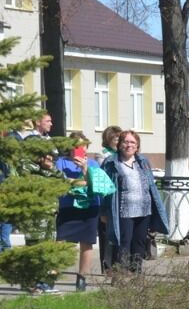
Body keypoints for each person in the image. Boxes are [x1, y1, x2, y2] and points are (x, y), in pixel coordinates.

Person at [101, 130, 169, 273]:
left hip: (144, 209)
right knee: (123, 242)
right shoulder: (111, 162)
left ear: (137, 146)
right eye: (126, 142)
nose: (129, 145)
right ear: (119, 144)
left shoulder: (142, 162)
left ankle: (136, 274)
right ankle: (120, 273)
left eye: (133, 142)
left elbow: (151, 185)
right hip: (123, 210)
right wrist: (103, 211)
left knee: (139, 242)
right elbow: (103, 189)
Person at [55, 132, 106, 291]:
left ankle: (82, 278)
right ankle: (52, 274)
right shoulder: (61, 162)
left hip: (90, 207)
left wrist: (84, 169)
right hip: (68, 206)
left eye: (82, 145)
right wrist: (82, 182)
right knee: (61, 243)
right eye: (75, 145)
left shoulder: (92, 164)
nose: (78, 148)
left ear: (86, 146)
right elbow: (59, 181)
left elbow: (96, 185)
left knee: (87, 243)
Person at [96, 125, 124, 272]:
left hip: (122, 198)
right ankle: (107, 266)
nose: (119, 141)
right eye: (116, 138)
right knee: (107, 233)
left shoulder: (124, 154)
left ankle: (120, 263)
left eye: (120, 138)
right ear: (109, 139)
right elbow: (104, 176)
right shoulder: (103, 155)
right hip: (108, 196)